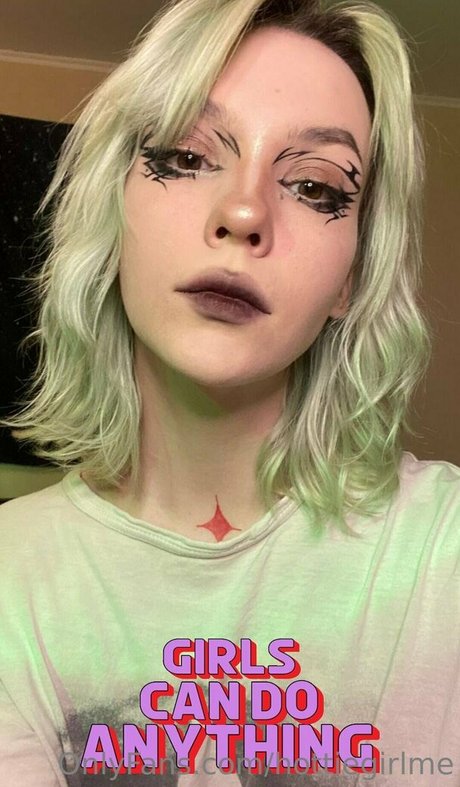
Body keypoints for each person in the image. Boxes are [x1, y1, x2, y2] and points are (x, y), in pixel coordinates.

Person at [0, 0, 459, 784]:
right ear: (114, 204)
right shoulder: (12, 575)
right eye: (186, 155)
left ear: (350, 278)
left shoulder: (440, 552)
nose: (244, 212)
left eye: (314, 186)